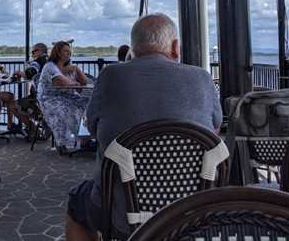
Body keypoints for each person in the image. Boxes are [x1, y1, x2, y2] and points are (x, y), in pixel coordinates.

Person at [65, 14, 223, 241]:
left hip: (121, 213)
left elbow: (93, 129)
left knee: (76, 204)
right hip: (192, 213)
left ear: (132, 50)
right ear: (176, 47)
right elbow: (214, 132)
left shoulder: (110, 76)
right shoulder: (202, 77)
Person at [37, 41, 91, 153]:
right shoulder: (50, 66)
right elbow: (61, 82)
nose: (68, 54)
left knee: (89, 103)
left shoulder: (69, 67)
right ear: (58, 53)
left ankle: (86, 139)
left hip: (66, 96)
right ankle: (62, 142)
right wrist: (74, 84)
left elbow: (84, 82)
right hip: (49, 98)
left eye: (69, 52)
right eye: (65, 51)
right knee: (65, 108)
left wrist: (76, 69)